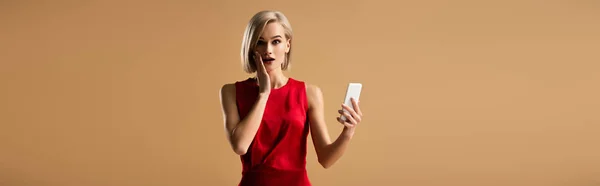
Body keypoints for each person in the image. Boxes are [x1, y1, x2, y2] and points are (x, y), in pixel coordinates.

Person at [219, 10, 363, 186]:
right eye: (260, 42)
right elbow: (240, 146)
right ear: (251, 47)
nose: (268, 50)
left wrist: (348, 132)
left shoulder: (309, 93)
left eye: (276, 41)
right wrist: (264, 94)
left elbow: (326, 159)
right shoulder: (231, 91)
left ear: (287, 45)